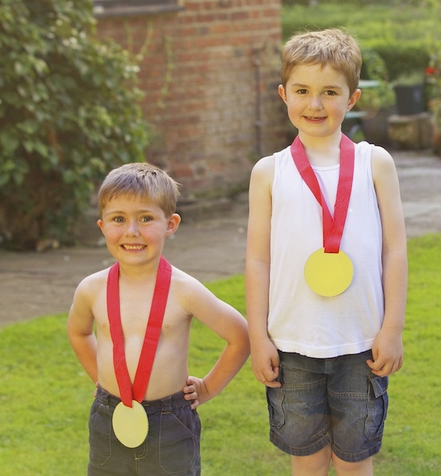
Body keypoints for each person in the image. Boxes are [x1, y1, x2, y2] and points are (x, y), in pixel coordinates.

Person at [246, 28, 408, 476]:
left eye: (329, 93)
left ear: (352, 98)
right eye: (302, 91)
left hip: (361, 343)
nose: (315, 105)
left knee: (354, 461)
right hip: (292, 345)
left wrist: (391, 327)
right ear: (283, 94)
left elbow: (395, 250)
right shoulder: (268, 173)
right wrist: (258, 336)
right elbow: (258, 260)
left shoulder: (376, 164)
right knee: (309, 461)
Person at [67, 162, 250, 475]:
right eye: (118, 219)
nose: (132, 231)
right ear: (102, 226)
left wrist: (207, 388)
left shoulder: (185, 290)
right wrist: (101, 376)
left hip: (170, 422)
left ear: (171, 223)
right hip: (109, 417)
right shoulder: (91, 289)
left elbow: (240, 336)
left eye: (146, 218)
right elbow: (79, 333)